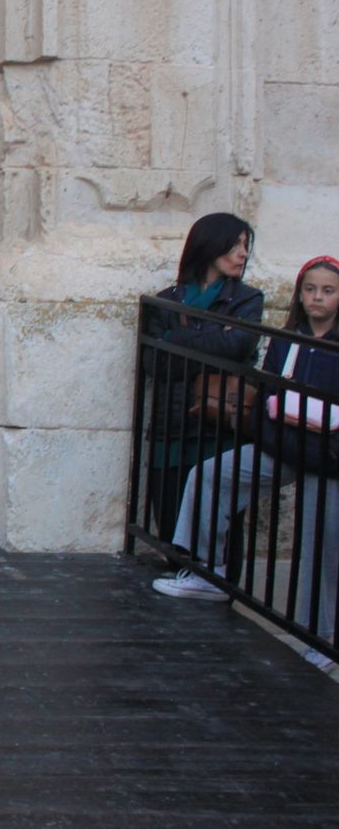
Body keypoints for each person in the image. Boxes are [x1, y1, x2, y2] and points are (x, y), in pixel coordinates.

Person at [153, 256, 339, 661]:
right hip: (287, 444)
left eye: (327, 290)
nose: (317, 298)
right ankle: (209, 571)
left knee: (320, 541)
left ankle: (319, 639)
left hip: (328, 458)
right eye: (310, 289)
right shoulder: (289, 339)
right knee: (212, 475)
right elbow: (267, 387)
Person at [140, 212, 263, 539]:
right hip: (173, 423)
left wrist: (175, 341)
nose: (243, 254)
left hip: (221, 423)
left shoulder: (247, 299)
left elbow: (238, 345)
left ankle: (218, 586)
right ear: (210, 245)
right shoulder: (164, 302)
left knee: (220, 523)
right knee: (168, 518)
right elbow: (154, 363)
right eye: (235, 244)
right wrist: (214, 342)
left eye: (246, 245)